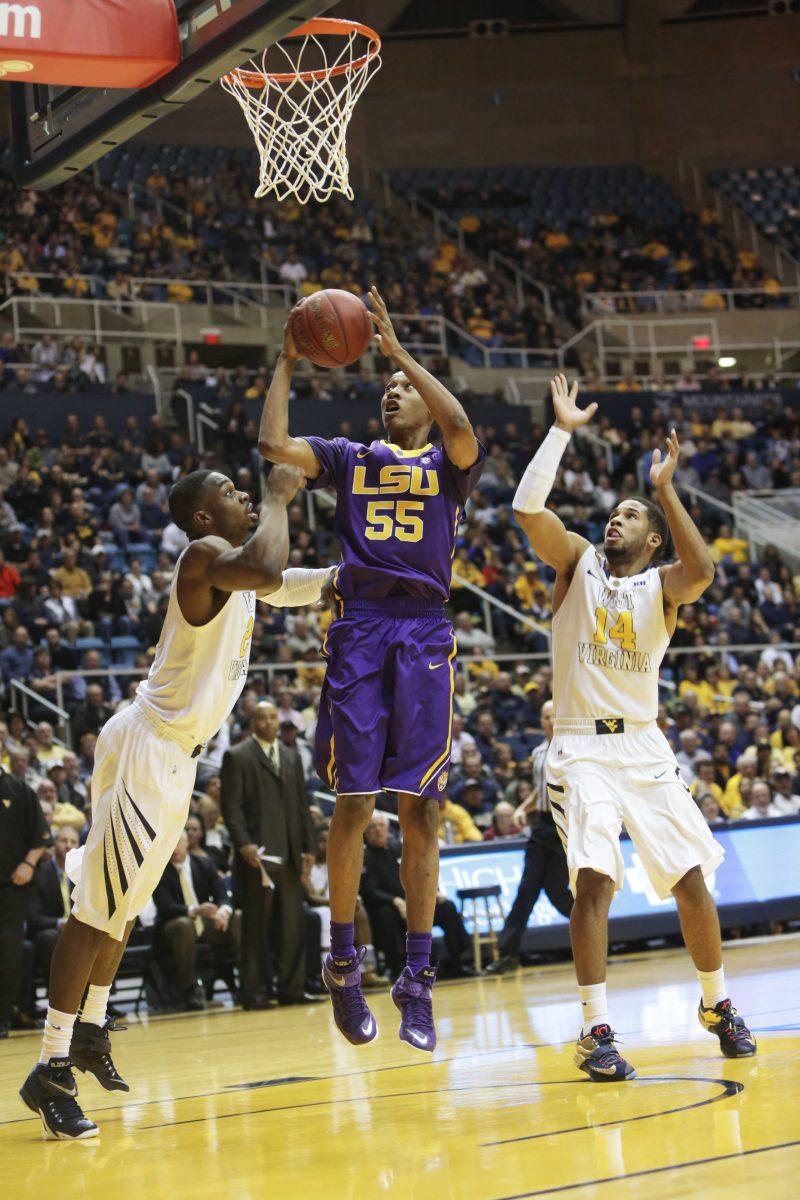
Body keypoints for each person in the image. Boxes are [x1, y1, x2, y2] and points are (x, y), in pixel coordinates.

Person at [18, 458, 333, 1140]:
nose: (243, 492)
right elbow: (267, 562)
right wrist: (280, 496)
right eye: (229, 490)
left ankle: (92, 1027)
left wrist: (347, 581)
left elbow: (287, 582)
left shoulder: (242, 570)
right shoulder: (206, 556)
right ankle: (49, 1067)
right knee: (95, 912)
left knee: (123, 909)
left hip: (176, 760)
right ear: (201, 518)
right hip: (147, 747)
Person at [512, 374, 756, 1083]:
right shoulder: (577, 562)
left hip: (645, 743)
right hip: (582, 743)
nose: (613, 521)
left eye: (629, 517)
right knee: (594, 882)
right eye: (612, 514)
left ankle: (717, 1004)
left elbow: (703, 570)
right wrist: (561, 429)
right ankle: (595, 1028)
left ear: (652, 539)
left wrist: (667, 489)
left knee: (689, 882)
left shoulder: (661, 587)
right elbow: (528, 508)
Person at [260, 287, 485, 1053]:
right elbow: (274, 446)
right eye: (385, 387)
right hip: (360, 631)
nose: (392, 393)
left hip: (423, 634)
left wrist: (398, 354)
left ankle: (417, 981)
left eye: (402, 389)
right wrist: (285, 364)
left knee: (421, 811)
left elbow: (459, 424)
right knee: (354, 803)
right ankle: (343, 962)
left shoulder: (450, 467)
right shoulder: (351, 458)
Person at [219, 700, 320, 1008]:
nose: (267, 722)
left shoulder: (292, 756)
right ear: (253, 723)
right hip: (257, 856)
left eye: (273, 717)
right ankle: (256, 992)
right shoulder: (236, 756)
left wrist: (309, 848)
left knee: (292, 925)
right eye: (261, 718)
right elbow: (231, 807)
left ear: (279, 721)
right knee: (257, 927)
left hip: (289, 855)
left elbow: (302, 806)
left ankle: (292, 989)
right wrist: (243, 843)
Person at [486, 700, 573, 973]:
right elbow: (540, 790)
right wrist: (523, 808)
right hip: (541, 827)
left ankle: (594, 933)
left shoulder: (571, 750)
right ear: (541, 722)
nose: (550, 721)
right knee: (527, 889)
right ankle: (508, 953)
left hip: (564, 826)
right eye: (545, 717)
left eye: (553, 716)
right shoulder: (537, 753)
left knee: (557, 891)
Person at [360, 812, 473, 979]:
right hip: (390, 906)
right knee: (385, 915)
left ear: (388, 828)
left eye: (380, 826)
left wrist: (433, 891)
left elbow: (421, 872)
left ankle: (458, 961)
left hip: (415, 901)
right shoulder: (364, 856)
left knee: (447, 907)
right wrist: (395, 901)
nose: (377, 830)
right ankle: (396, 965)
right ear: (365, 832)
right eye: (372, 827)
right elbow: (369, 891)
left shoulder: (399, 848)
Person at [152, 831, 241, 1011]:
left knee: (237, 917)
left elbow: (223, 896)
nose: (175, 848)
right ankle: (190, 990)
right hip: (173, 927)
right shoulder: (158, 870)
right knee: (184, 925)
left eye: (178, 842)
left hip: (206, 923)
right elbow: (165, 906)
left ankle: (248, 981)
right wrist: (194, 910)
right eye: (170, 843)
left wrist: (223, 911)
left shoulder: (204, 864)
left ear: (186, 843)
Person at [1, 768, 51, 1038]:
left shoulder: (19, 790)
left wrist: (28, 863)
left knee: (8, 955)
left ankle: (2, 1018)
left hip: (11, 888)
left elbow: (41, 835)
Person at [25, 826, 81, 992]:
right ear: (54, 844)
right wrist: (59, 924)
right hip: (48, 931)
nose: (68, 845)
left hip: (77, 930)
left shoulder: (83, 874)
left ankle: (96, 1002)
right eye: (63, 840)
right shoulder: (39, 873)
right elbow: (33, 918)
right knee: (51, 938)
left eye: (73, 841)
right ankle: (59, 995)